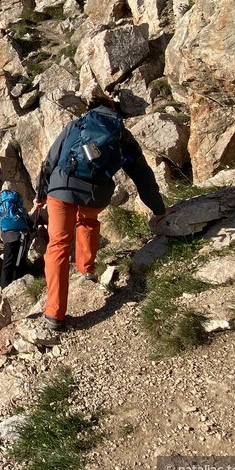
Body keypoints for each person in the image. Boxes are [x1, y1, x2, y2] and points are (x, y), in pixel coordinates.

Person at [34, 95, 167, 331]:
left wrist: (41, 194)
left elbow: (50, 161)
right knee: (88, 220)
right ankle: (87, 269)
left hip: (61, 188)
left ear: (91, 109)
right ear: (113, 111)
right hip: (96, 195)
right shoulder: (120, 134)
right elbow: (141, 174)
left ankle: (54, 313)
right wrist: (158, 209)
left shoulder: (76, 125)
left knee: (58, 245)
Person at [0, 189, 33, 287]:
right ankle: (21, 283)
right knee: (21, 260)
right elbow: (29, 222)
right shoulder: (20, 208)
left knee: (8, 262)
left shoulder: (0, 208)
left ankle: (5, 286)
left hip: (9, 238)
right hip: (23, 235)